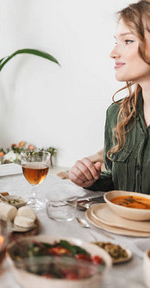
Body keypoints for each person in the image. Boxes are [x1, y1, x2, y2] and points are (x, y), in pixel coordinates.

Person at [69, 0, 150, 194]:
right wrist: (90, 180)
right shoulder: (117, 114)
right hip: (119, 225)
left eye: (128, 41)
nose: (113, 53)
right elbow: (115, 181)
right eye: (116, 42)